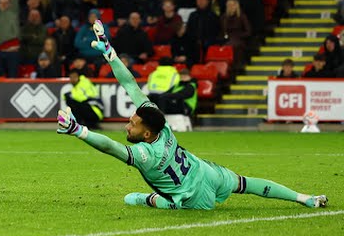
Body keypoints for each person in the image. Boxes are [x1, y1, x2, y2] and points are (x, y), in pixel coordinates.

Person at [57, 20, 328, 210]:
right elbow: (131, 85)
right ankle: (304, 198)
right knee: (245, 183)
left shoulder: (145, 156)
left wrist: (77, 131)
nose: (129, 123)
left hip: (190, 198)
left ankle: (147, 199)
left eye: (133, 123)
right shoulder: (161, 128)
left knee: (142, 199)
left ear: (147, 134)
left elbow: (110, 146)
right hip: (205, 172)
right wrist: (110, 55)